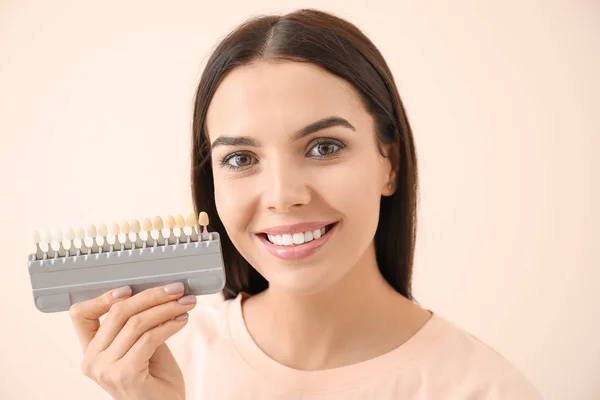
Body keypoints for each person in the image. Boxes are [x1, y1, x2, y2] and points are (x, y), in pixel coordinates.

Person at [69, 8, 542, 399]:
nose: (282, 195)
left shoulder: (484, 389)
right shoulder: (159, 369)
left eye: (324, 147)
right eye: (240, 157)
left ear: (389, 164)